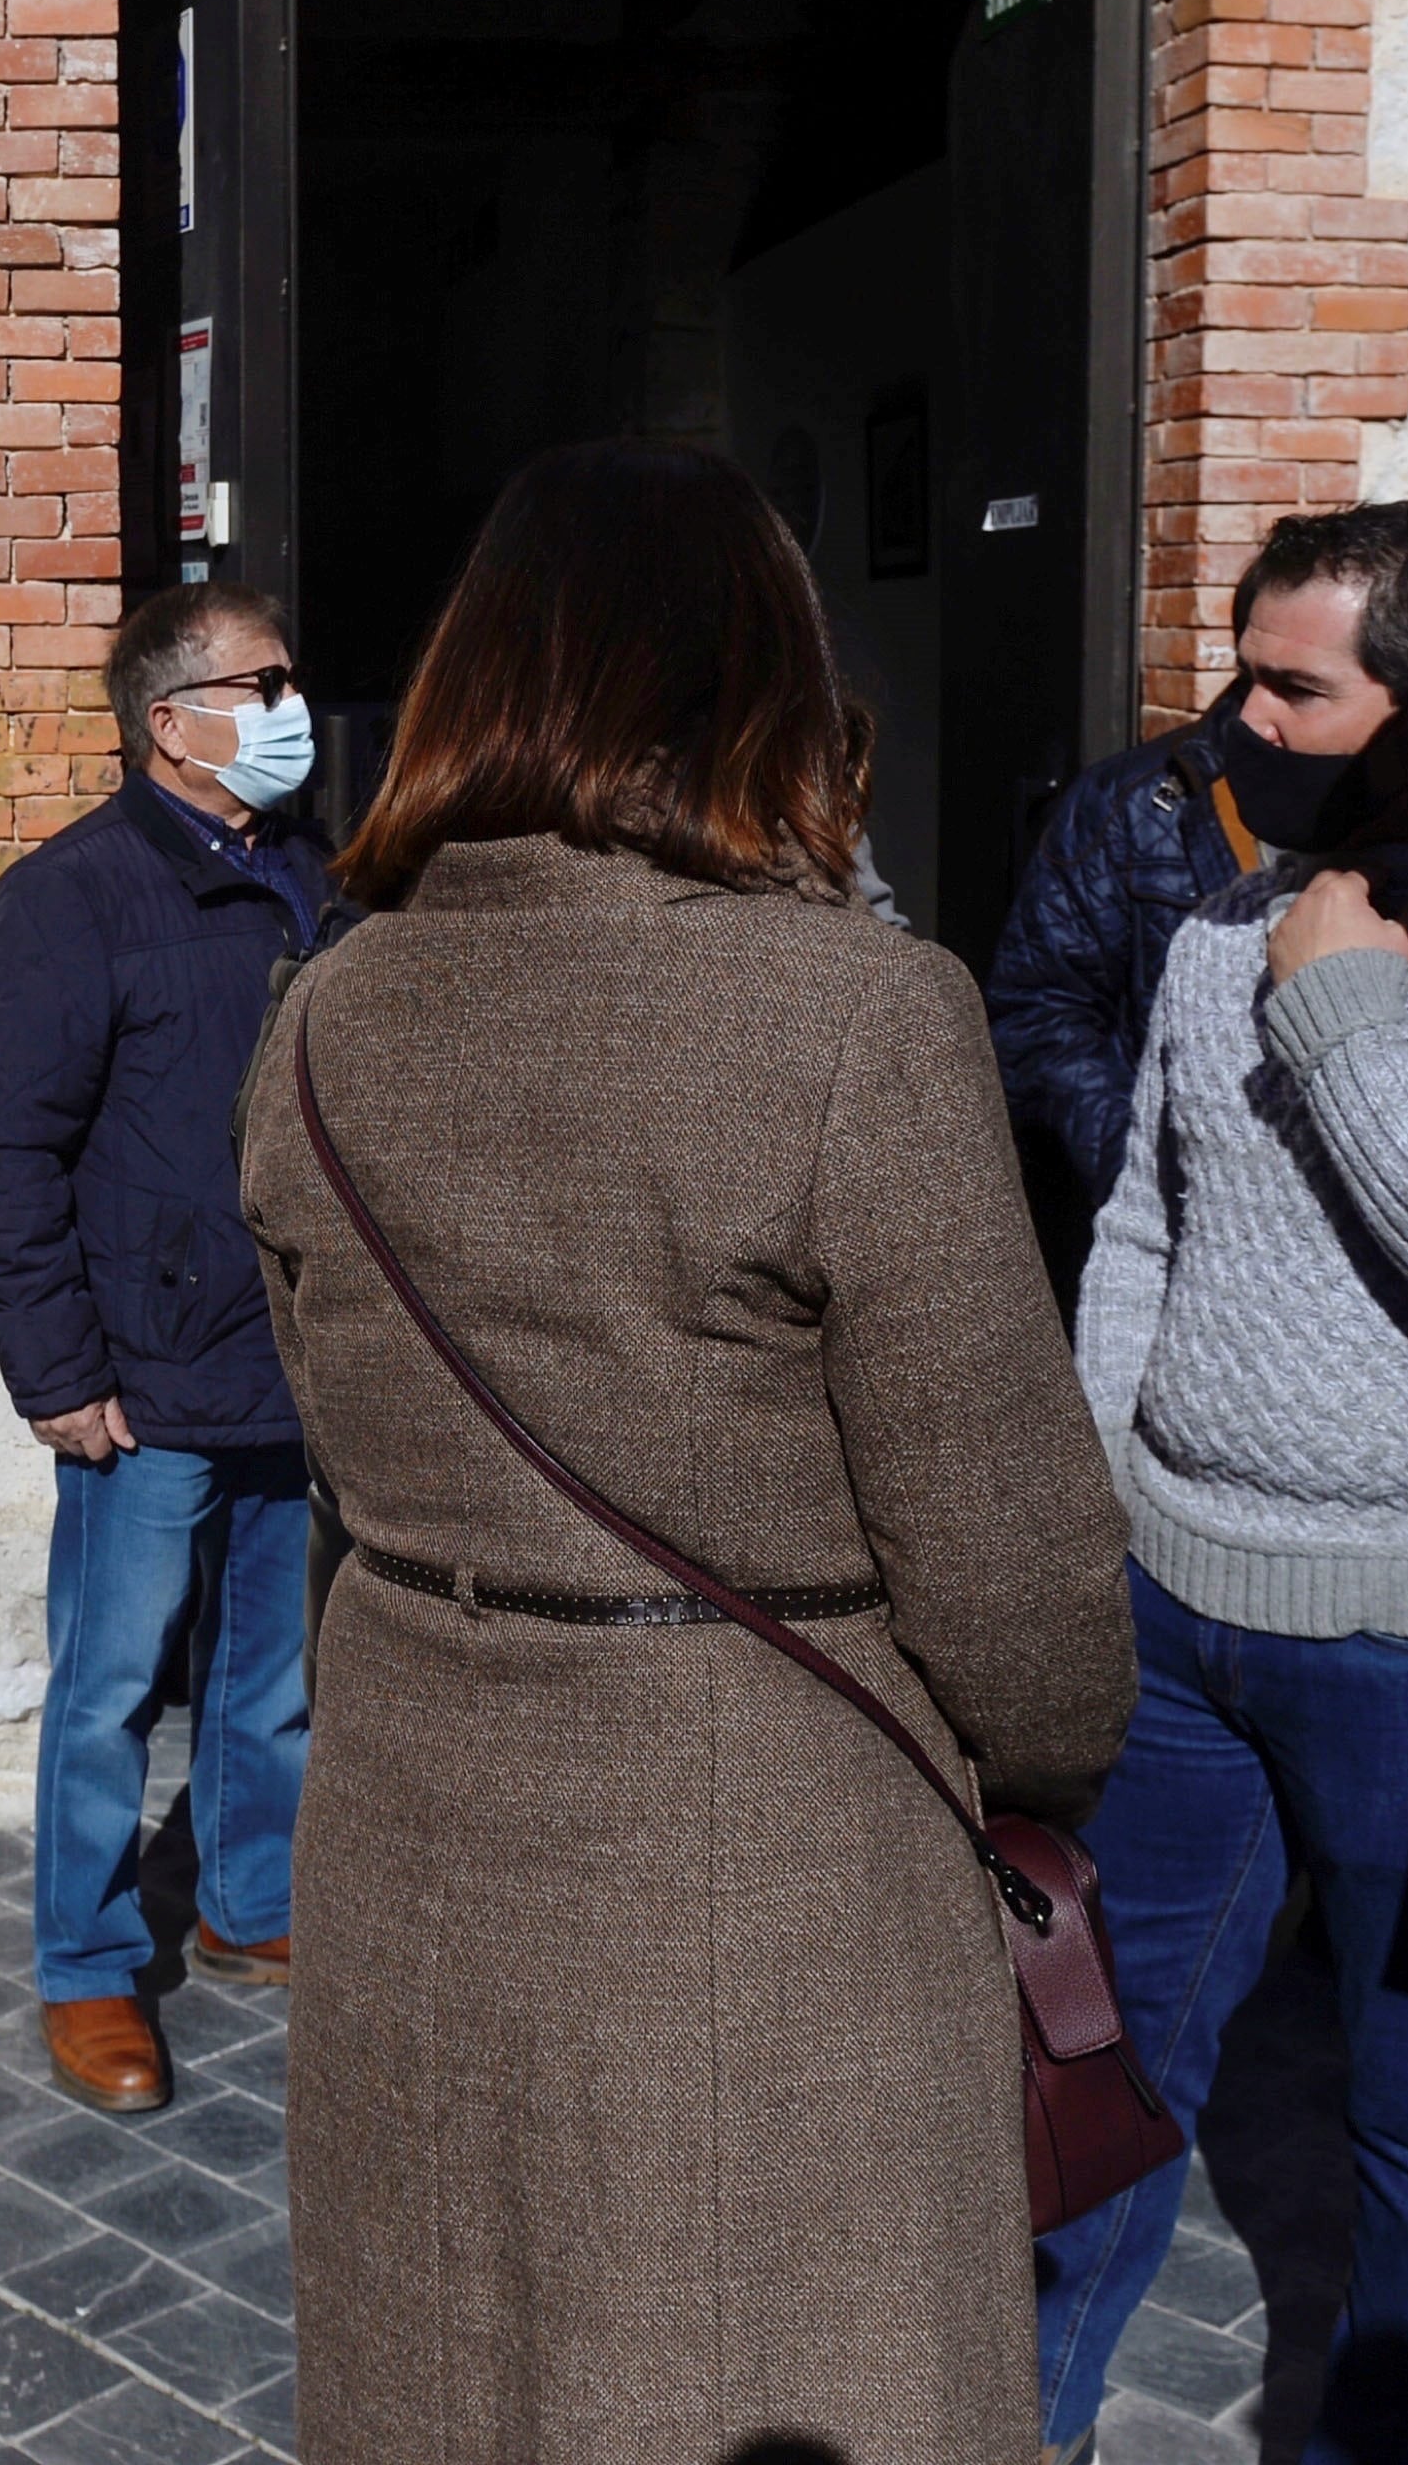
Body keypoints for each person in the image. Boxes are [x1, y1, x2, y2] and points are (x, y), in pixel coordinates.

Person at [237, 440, 1137, 2465]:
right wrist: (1046, 1766)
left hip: (410, 1830)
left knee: (454, 2378)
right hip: (773, 1841)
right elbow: (1008, 1565)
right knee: (766, 2373)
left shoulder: (320, 1007)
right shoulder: (858, 1014)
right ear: (767, 686)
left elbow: (334, 1424)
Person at [1036, 505, 1408, 2465]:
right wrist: (1103, 1489)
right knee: (1093, 2061)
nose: (1231, 723)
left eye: (1292, 686)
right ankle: (1025, 2415)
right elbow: (1141, 1233)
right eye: (1237, 671)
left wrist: (1339, 1012)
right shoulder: (1208, 929)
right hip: (1174, 1616)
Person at [0, 581, 336, 2115]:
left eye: (290, 682)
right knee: (108, 1687)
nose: (289, 710)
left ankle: (246, 1906)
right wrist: (55, 1374)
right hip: (142, 1380)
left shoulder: (315, 881)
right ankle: (90, 1967)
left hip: (287, 1363)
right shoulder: (75, 895)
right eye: (261, 685)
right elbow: (0, 1149)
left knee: (267, 1682)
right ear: (168, 725)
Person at [985, 671, 1257, 1302]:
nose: (1266, 708)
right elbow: (1038, 1013)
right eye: (1258, 675)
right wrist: (1136, 1169)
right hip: (1147, 1248)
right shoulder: (1130, 801)